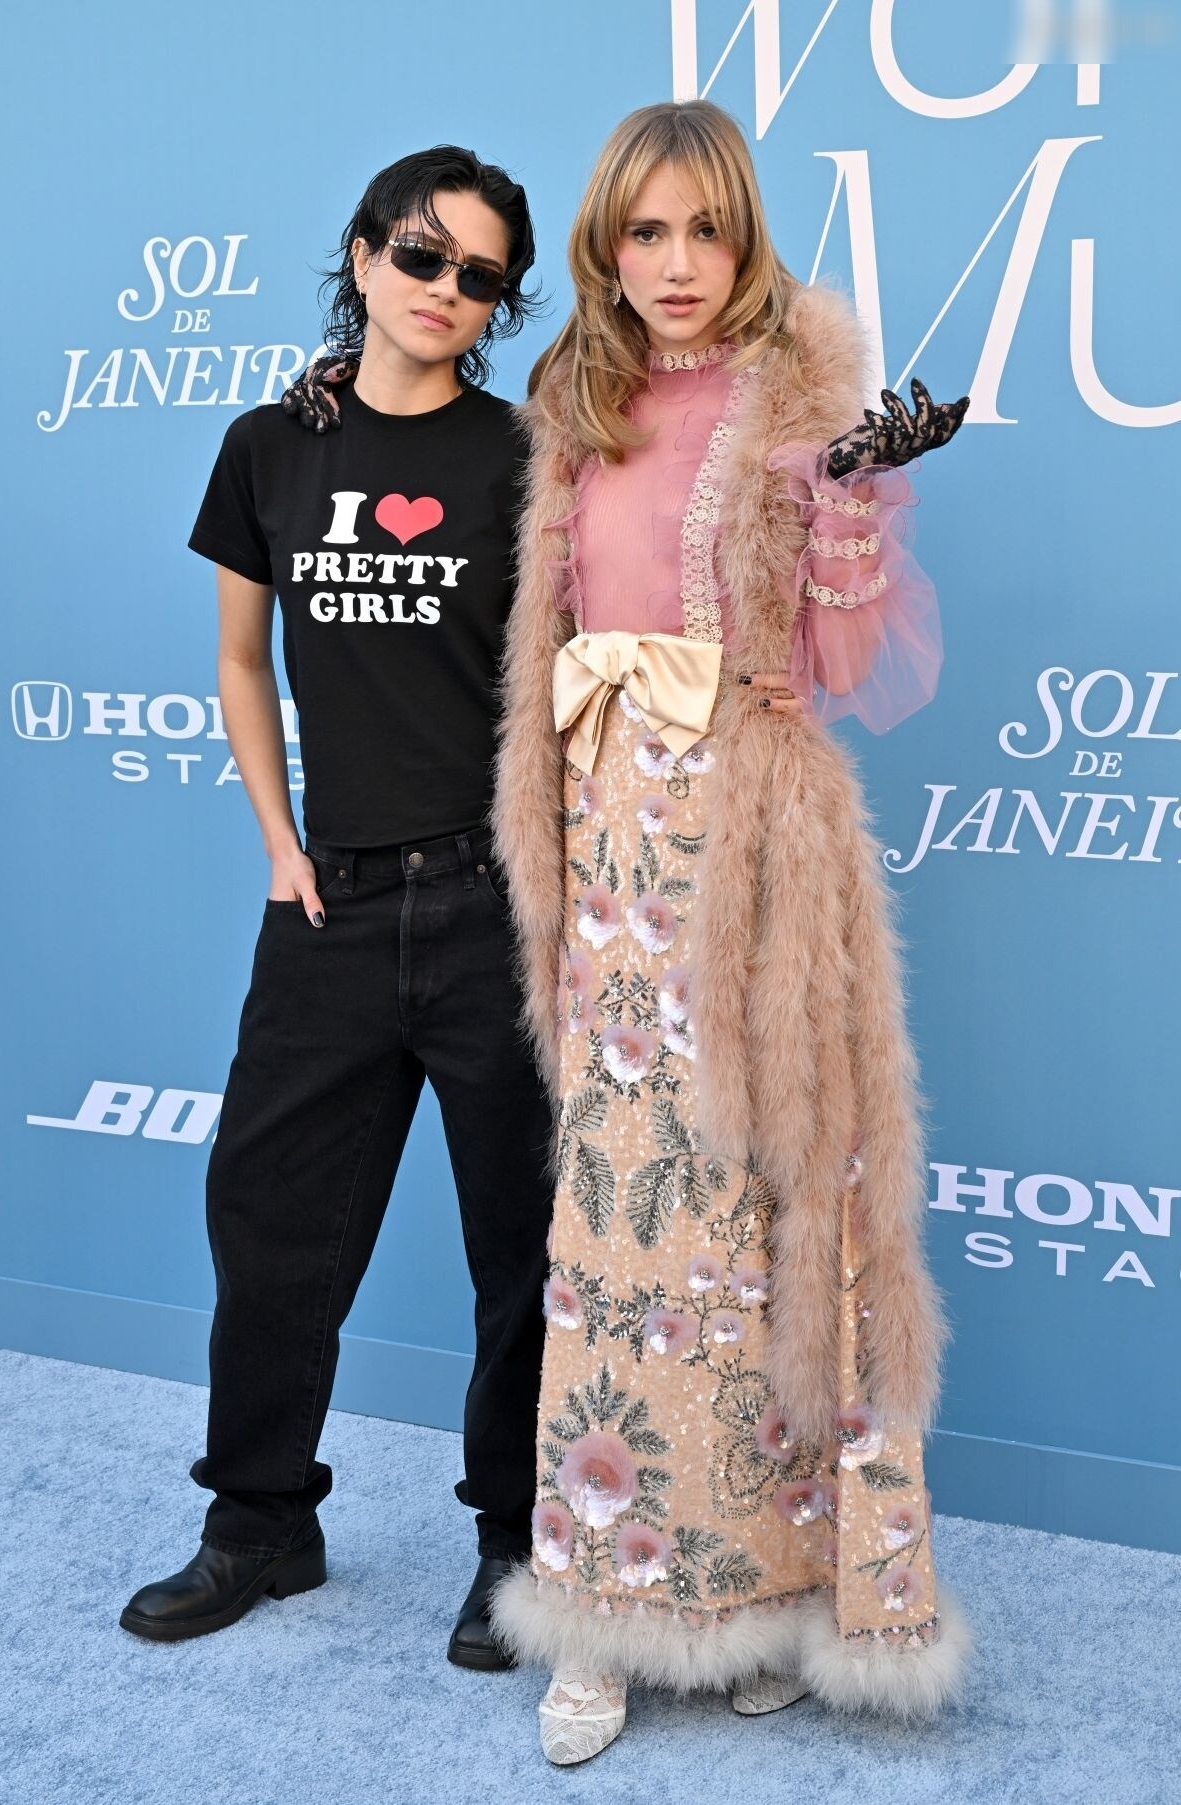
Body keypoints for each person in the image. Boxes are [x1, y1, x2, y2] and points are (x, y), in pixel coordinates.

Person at [484, 99, 972, 1763]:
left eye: (706, 229)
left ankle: (758, 1591)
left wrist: (844, 512)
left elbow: (850, 666)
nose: (678, 263)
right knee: (622, 1235)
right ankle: (607, 1606)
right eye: (647, 232)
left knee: (760, 1220)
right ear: (606, 247)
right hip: (606, 849)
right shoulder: (576, 403)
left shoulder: (800, 398)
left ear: (746, 237)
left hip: (752, 851)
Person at [118, 145, 555, 1671]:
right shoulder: (269, 447)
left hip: (497, 905)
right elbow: (243, 659)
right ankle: (258, 1523)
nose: (445, 290)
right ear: (364, 254)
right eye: (421, 255)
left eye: (481, 276)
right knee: (270, 1220)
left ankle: (518, 1547)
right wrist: (278, 841)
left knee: (525, 1246)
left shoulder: (525, 460)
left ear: (499, 305)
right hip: (332, 909)